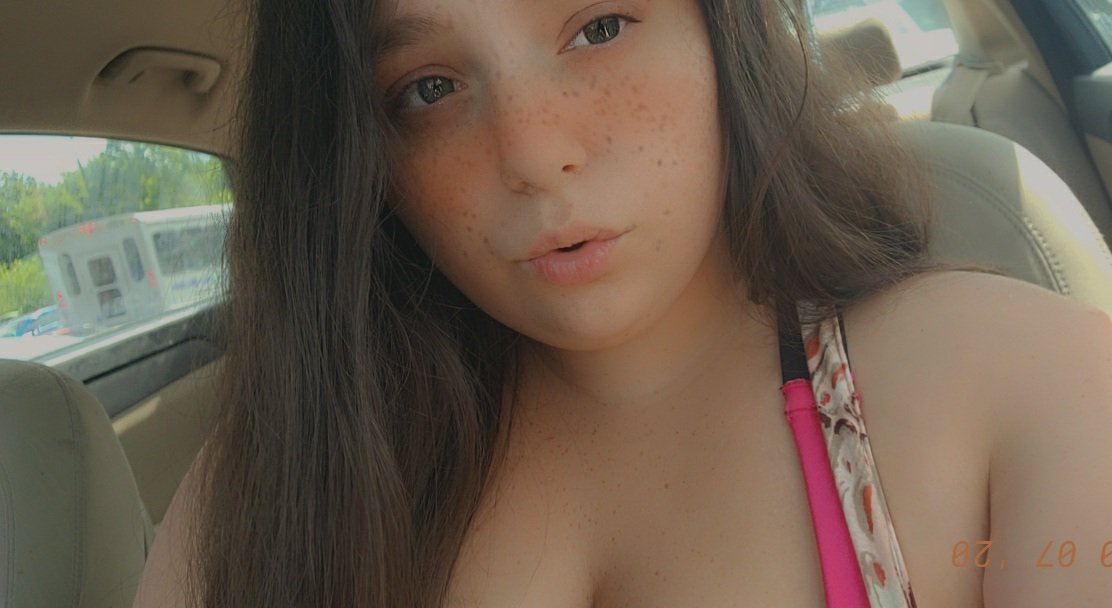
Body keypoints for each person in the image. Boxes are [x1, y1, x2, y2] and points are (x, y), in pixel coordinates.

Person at [134, 0, 1112, 606]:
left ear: (720, 32)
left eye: (597, 29)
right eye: (428, 87)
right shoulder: (275, 481)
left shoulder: (1023, 389)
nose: (531, 150)